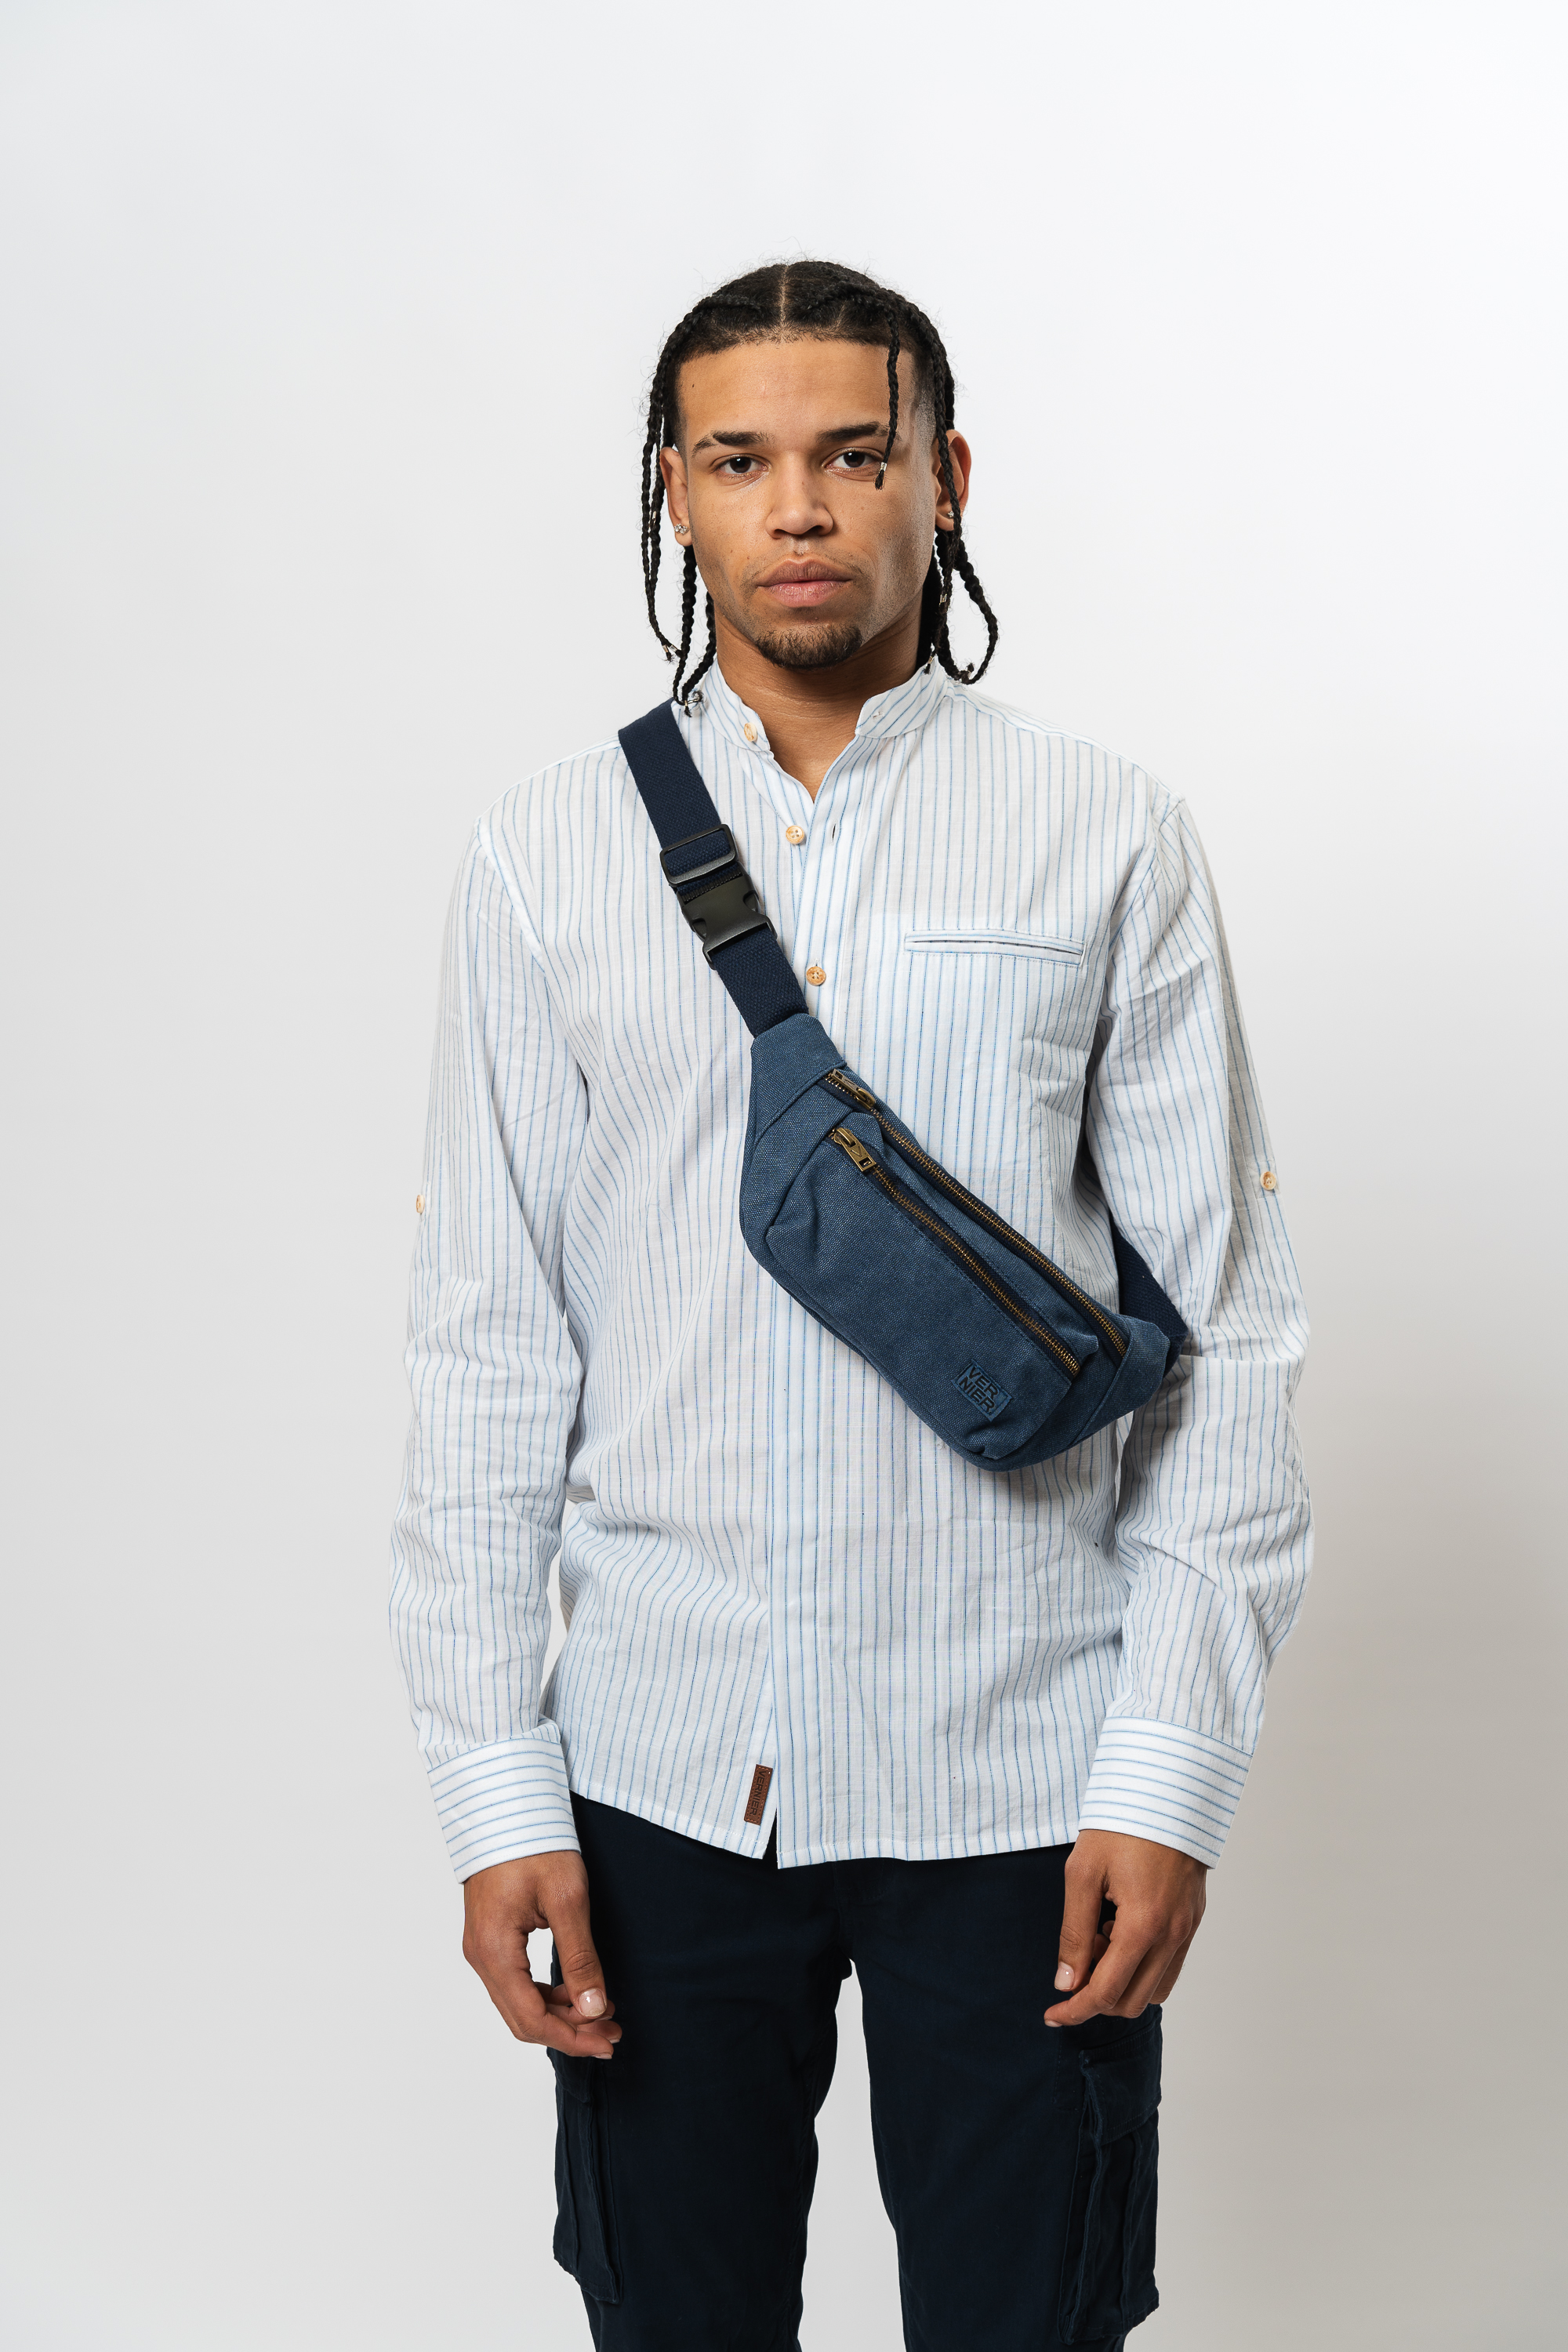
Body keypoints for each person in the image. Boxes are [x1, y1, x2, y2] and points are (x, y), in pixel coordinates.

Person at [390, 260, 1312, 2352]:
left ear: (945, 478)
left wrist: (1168, 1769)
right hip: (661, 1776)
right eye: (741, 460)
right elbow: (489, 1349)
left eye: (852, 455)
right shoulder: (546, 858)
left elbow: (1232, 1336)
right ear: (676, 492)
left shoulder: (1108, 834)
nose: (798, 506)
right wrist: (497, 1792)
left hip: (1026, 1778)